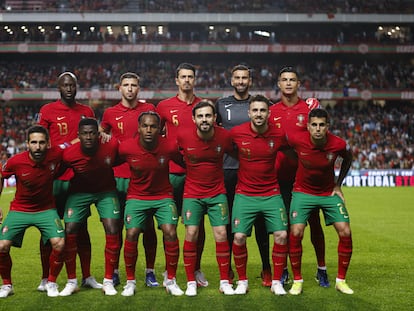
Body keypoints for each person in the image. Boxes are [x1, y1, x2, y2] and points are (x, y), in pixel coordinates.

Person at [37, 72, 101, 291]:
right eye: (65, 85)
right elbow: (41, 141)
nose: (69, 89)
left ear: (77, 87)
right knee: (49, 230)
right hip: (54, 179)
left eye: (72, 85)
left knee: (80, 229)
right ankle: (46, 278)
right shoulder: (47, 111)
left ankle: (87, 276)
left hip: (79, 179)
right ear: (59, 88)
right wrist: (64, 147)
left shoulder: (86, 111)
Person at [269, 66, 328, 287]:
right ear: (279, 84)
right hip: (280, 178)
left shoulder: (309, 108)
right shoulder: (271, 111)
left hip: (307, 178)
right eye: (284, 80)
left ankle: (321, 269)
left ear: (298, 83)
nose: (288, 83)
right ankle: (284, 270)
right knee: (283, 227)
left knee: (314, 224)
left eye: (292, 79)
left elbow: (319, 137)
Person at [216, 64, 273, 286]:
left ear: (250, 81)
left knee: (260, 224)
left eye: (244, 78)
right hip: (228, 170)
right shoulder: (221, 104)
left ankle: (266, 268)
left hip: (255, 171)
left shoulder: (261, 105)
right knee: (230, 223)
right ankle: (230, 269)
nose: (241, 81)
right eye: (237, 77)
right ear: (232, 81)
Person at [100, 72, 159, 287]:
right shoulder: (110, 113)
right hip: (116, 177)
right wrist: (103, 134)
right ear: (119, 88)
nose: (130, 88)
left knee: (147, 227)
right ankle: (114, 271)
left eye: (134, 85)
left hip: (144, 177)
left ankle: (150, 272)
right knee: (115, 227)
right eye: (126, 85)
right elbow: (100, 135)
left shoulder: (149, 110)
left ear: (139, 88)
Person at [286, 108, 354, 295]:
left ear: (327, 127)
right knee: (296, 231)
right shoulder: (297, 140)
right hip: (302, 192)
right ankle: (297, 280)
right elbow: (284, 149)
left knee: (345, 231)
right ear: (307, 126)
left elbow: (348, 159)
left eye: (321, 125)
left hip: (327, 193)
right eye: (314, 125)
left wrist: (338, 184)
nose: (317, 129)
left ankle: (341, 281)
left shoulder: (338, 144)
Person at [118, 111, 184, 296]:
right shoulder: (126, 148)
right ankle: (130, 282)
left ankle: (170, 280)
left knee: (170, 232)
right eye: (145, 126)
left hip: (163, 196)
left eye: (153, 126)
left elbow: (186, 162)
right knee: (131, 233)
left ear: (160, 129)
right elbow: (109, 161)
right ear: (138, 128)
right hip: (136, 197)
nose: (149, 130)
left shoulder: (169, 146)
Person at [230, 94, 289, 296]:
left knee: (281, 235)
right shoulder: (236, 133)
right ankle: (242, 281)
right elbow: (226, 148)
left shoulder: (279, 134)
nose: (258, 114)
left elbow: (296, 150)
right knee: (238, 237)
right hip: (244, 194)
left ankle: (276, 281)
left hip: (272, 193)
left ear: (268, 113)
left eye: (262, 110)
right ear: (249, 113)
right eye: (255, 110)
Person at [156, 62, 208, 287]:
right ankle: (170, 272)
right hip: (171, 174)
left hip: (197, 175)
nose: (187, 80)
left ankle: (195, 269)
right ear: (176, 81)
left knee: (197, 225)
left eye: (190, 77)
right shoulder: (164, 107)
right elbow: (155, 137)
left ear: (195, 80)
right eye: (183, 77)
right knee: (169, 225)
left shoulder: (204, 106)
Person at [0, 125, 65, 298]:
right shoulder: (15, 161)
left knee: (59, 243)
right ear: (27, 144)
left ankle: (51, 282)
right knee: (1, 247)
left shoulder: (56, 155)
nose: (38, 146)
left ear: (48, 144)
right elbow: (1, 175)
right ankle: (7, 285)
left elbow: (74, 144)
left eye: (42, 142)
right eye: (34, 142)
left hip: (46, 210)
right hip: (20, 209)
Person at [177, 100, 234, 296]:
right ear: (193, 118)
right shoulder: (183, 136)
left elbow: (239, 154)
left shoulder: (224, 136)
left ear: (215, 118)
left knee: (222, 235)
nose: (204, 119)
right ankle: (191, 281)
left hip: (217, 193)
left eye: (208, 116)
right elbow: (174, 154)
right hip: (192, 194)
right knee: (191, 233)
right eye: (200, 116)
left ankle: (224, 281)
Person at [59, 118, 121, 296]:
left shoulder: (112, 145)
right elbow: (54, 170)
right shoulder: (69, 154)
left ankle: (108, 280)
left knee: (112, 227)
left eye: (92, 133)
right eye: (84, 133)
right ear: (78, 135)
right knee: (70, 229)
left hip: (106, 191)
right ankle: (72, 281)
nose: (88, 137)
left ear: (98, 134)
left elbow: (129, 154)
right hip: (79, 192)